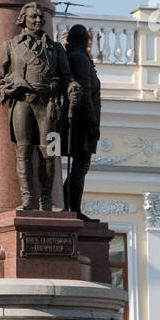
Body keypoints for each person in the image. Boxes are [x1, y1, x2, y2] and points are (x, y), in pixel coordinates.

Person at [0, 3, 79, 211]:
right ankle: (28, 198)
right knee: (24, 151)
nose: (38, 20)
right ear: (23, 19)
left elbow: (66, 76)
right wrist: (7, 85)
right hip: (22, 103)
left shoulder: (55, 49)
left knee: (50, 153)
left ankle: (46, 200)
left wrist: (72, 86)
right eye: (33, 17)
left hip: (49, 105)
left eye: (40, 17)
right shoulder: (11, 45)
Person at [63, 24, 101, 219]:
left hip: (79, 118)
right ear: (82, 39)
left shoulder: (77, 58)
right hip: (81, 120)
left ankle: (68, 205)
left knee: (79, 165)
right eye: (87, 38)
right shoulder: (79, 59)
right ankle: (73, 209)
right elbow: (84, 92)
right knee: (80, 165)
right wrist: (93, 122)